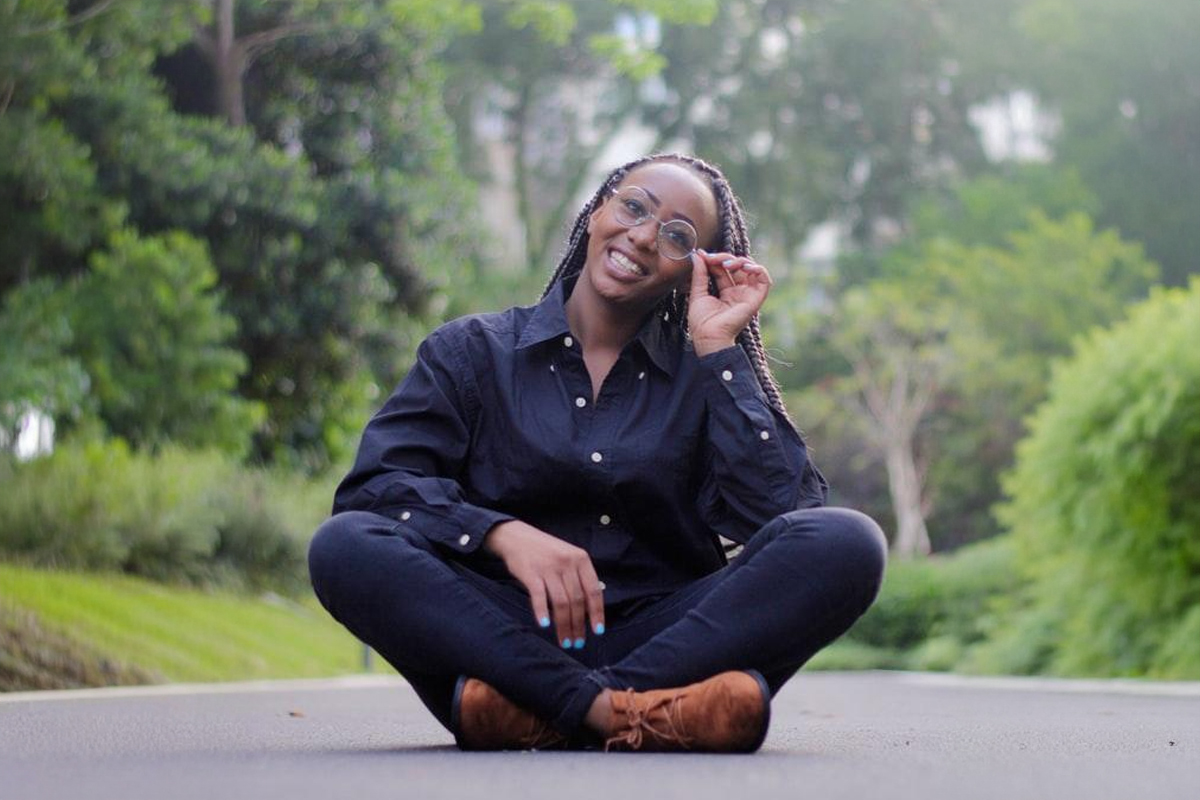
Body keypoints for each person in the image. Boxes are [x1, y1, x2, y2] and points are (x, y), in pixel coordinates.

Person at [308, 153, 886, 753]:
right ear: (597, 210)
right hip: (501, 636)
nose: (641, 236)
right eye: (633, 206)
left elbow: (784, 517)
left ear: (694, 269)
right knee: (344, 545)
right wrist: (500, 533)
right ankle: (633, 715)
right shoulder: (470, 353)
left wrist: (719, 350)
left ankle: (548, 713)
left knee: (849, 543)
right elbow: (375, 489)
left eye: (676, 236)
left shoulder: (704, 376)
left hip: (672, 640)